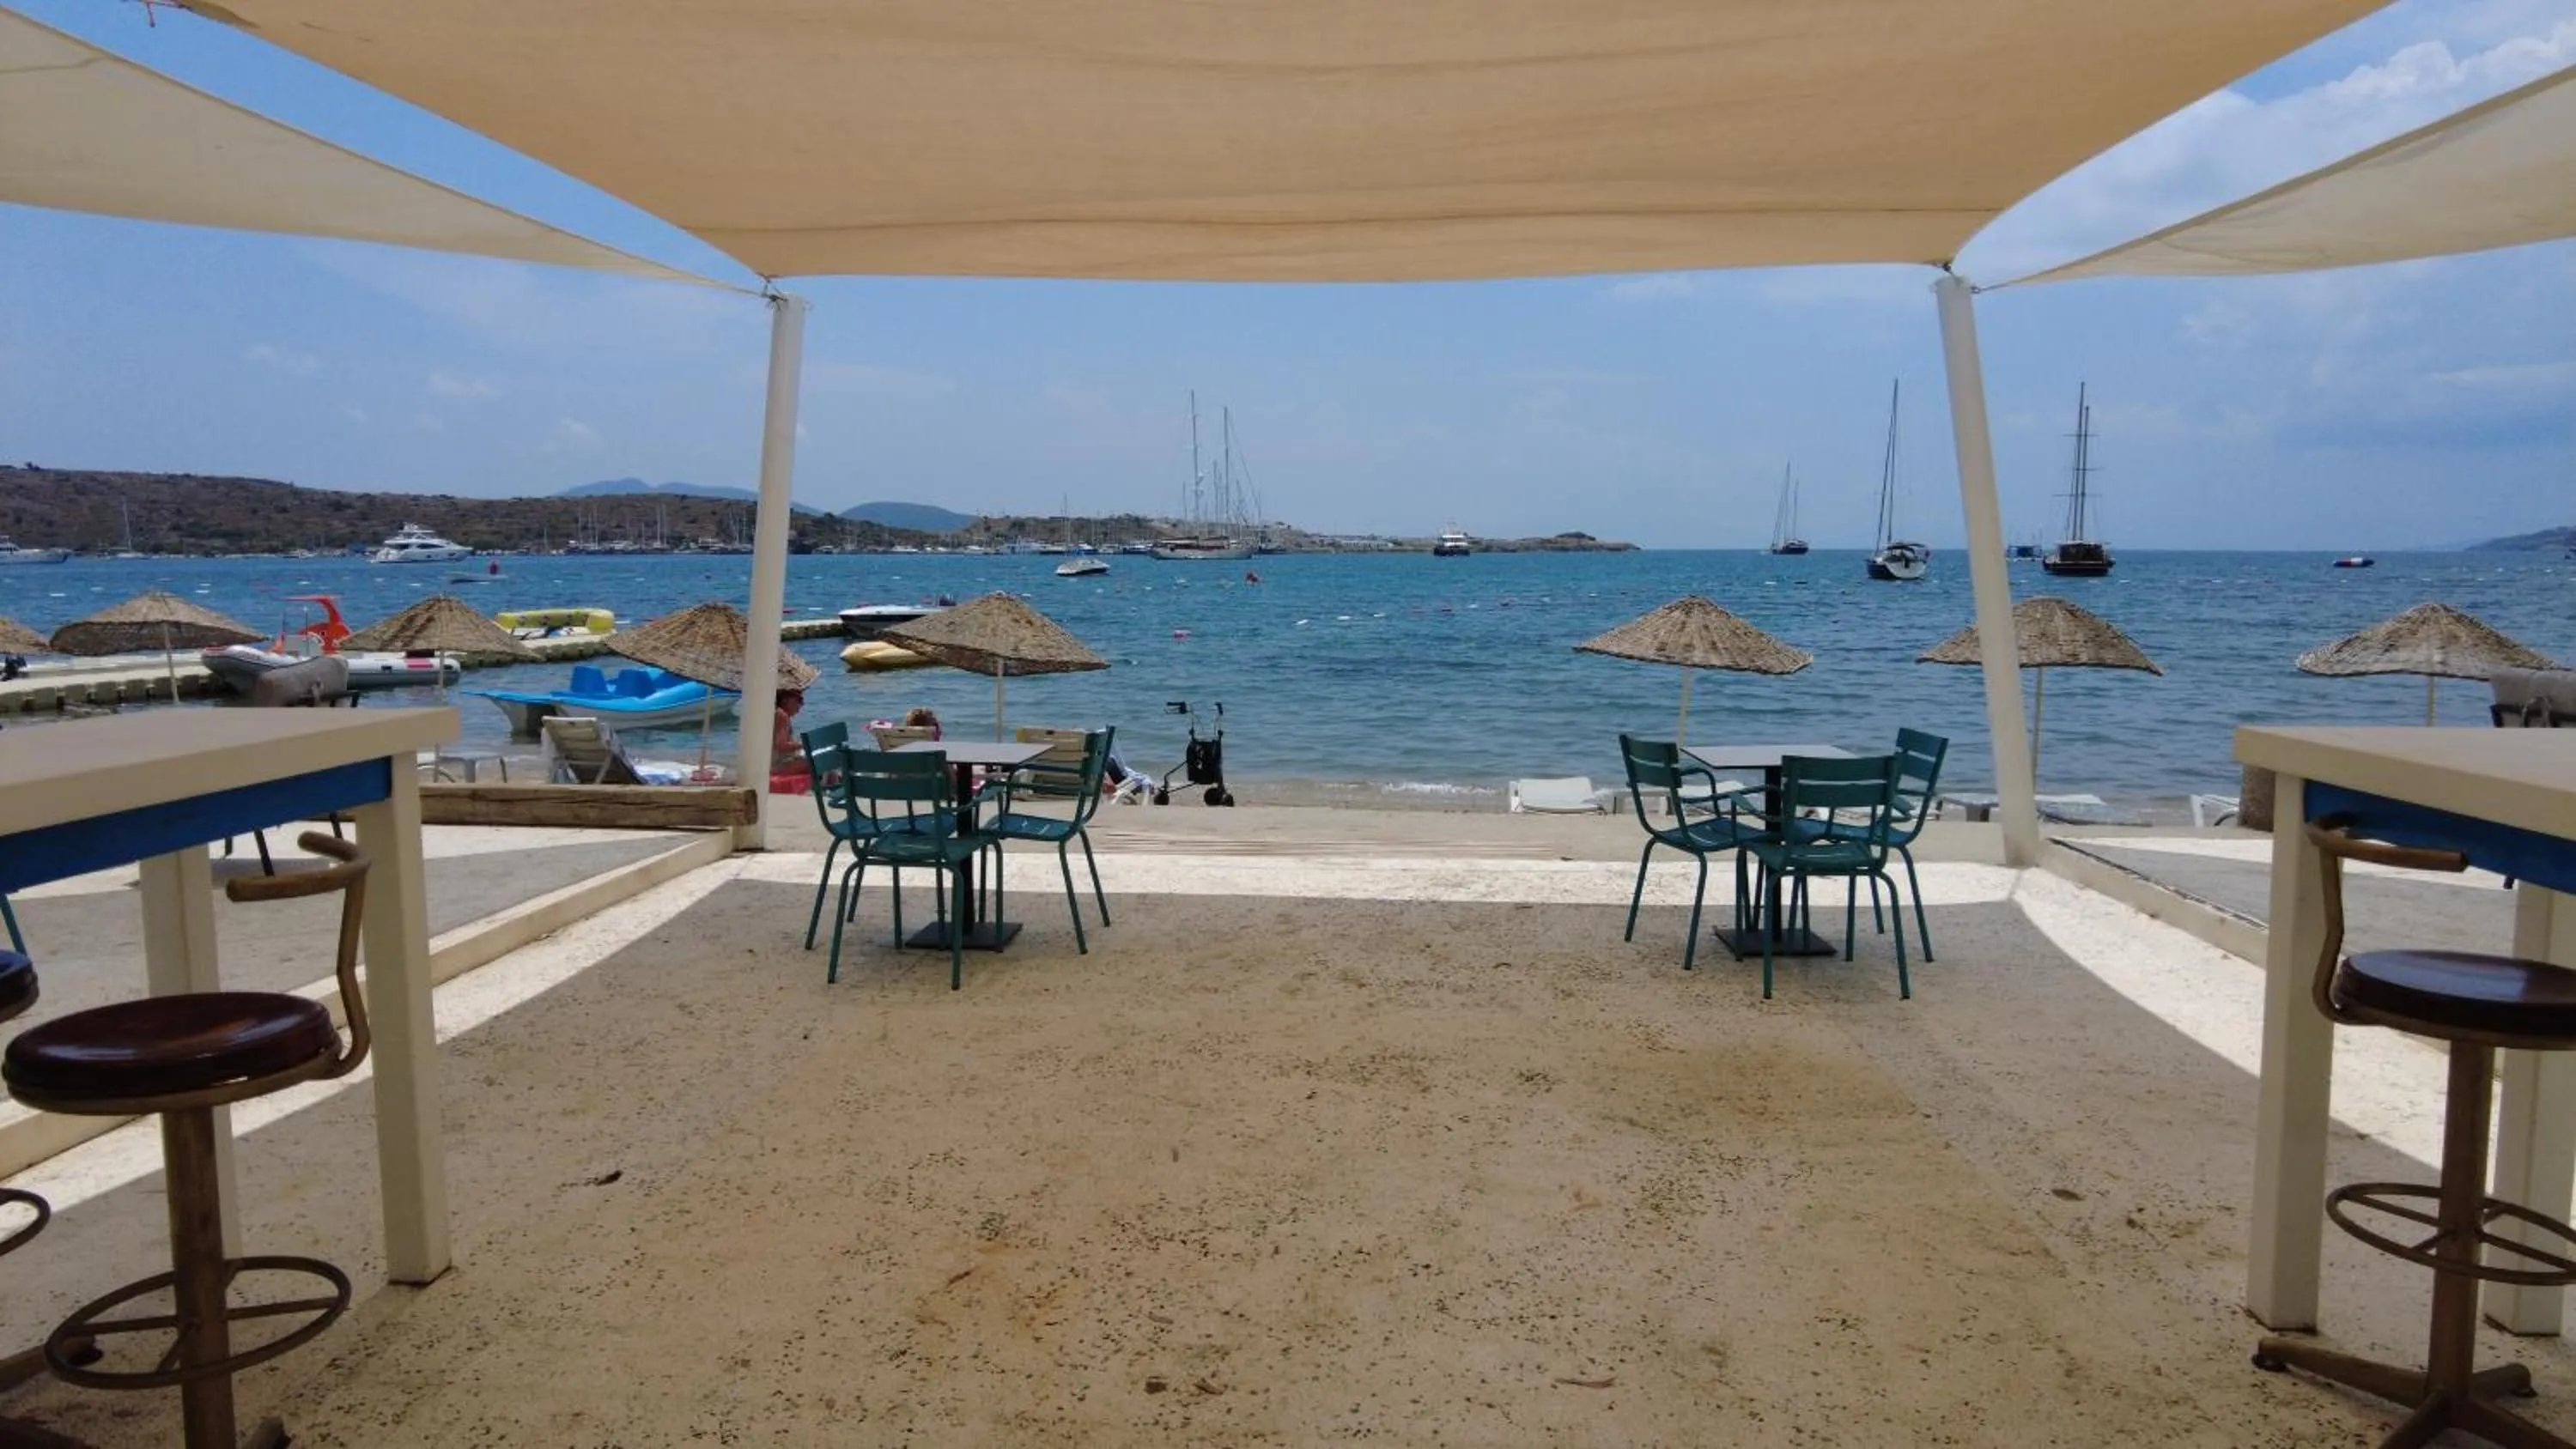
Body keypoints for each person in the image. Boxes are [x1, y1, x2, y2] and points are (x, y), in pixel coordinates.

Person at [768, 688, 815, 793]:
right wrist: (803, 744)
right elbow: (781, 745)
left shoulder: (776, 713)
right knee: (823, 761)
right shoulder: (781, 715)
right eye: (799, 700)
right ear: (785, 700)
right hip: (778, 766)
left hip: (774, 763)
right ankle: (830, 792)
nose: (801, 705)